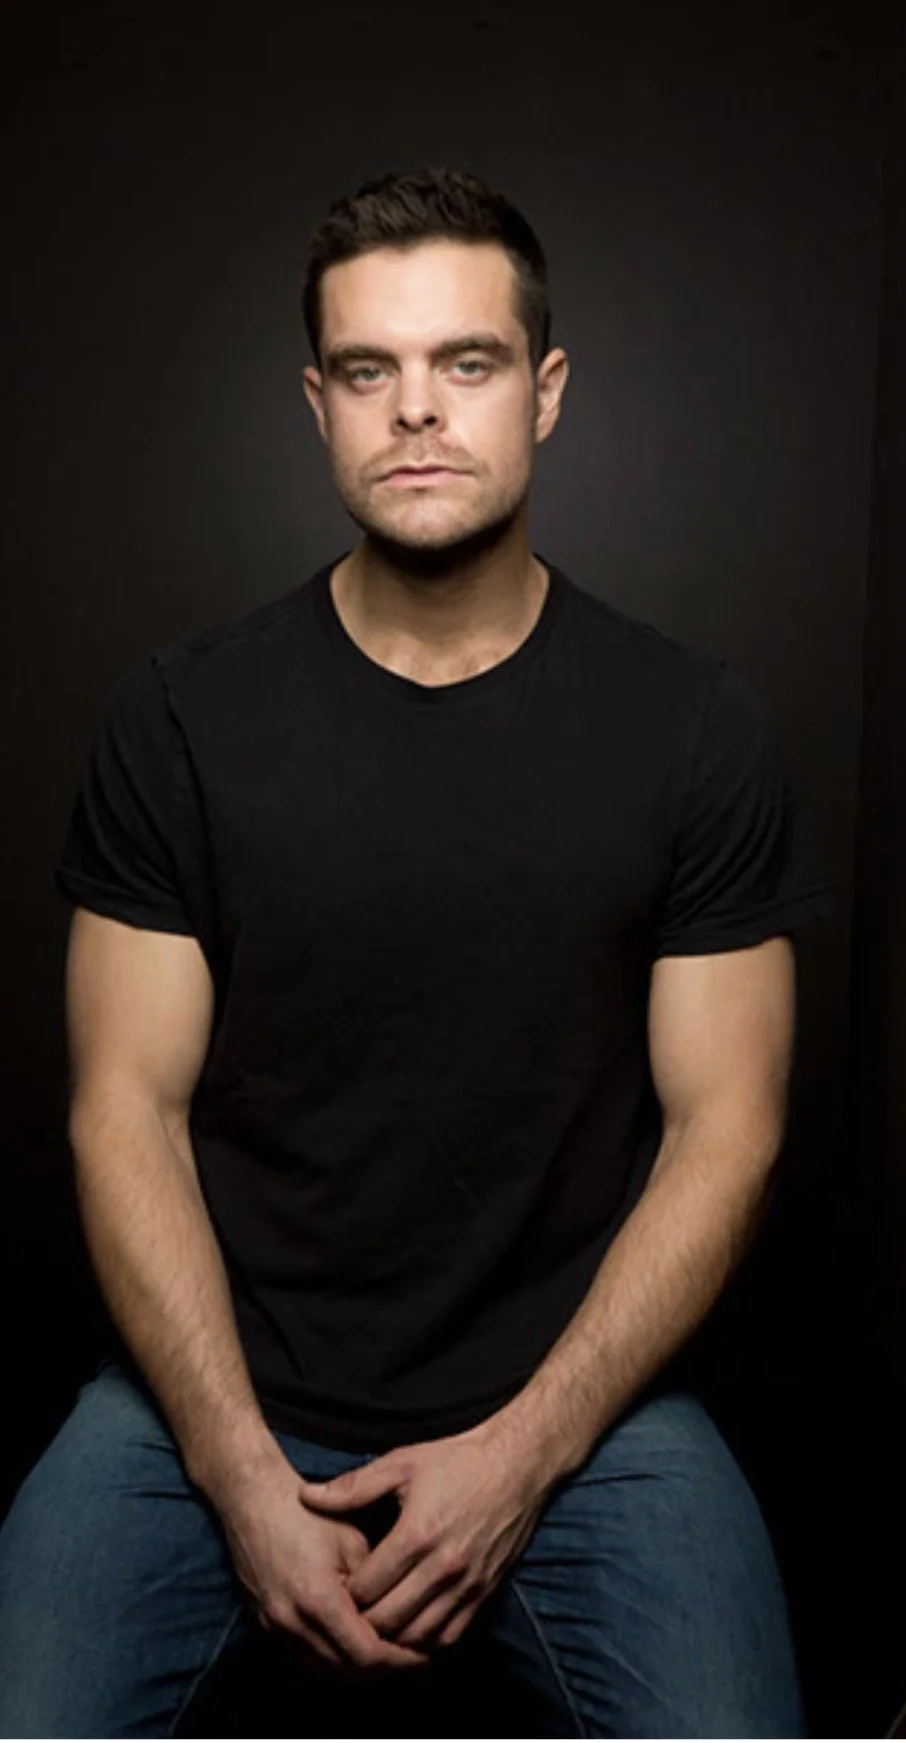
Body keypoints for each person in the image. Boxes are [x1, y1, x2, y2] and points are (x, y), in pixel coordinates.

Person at [0, 165, 833, 1739]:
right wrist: (237, 1469)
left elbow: (730, 1128)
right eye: (369, 372)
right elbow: (123, 1108)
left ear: (547, 388)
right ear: (315, 402)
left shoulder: (694, 730)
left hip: (583, 1415)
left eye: (468, 362)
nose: (417, 413)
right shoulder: (181, 718)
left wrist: (524, 1453)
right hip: (209, 1398)